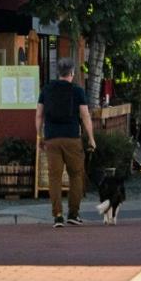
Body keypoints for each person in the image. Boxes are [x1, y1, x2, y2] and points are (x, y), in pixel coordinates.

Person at [36, 57, 96, 227]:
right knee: (76, 175)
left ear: (59, 73)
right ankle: (73, 214)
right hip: (71, 138)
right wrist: (91, 138)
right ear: (72, 73)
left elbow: (39, 114)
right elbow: (85, 115)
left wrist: (39, 136)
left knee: (54, 177)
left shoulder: (46, 90)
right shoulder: (77, 91)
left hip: (52, 138)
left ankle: (58, 216)